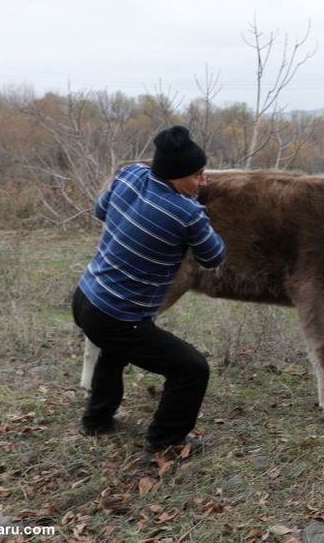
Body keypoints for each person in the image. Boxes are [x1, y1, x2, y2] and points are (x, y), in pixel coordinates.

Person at [73, 125, 225, 454]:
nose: (203, 182)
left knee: (112, 350)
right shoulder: (188, 214)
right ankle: (166, 440)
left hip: (86, 296)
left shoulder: (130, 174)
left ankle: (97, 419)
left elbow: (101, 210)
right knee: (192, 369)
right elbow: (213, 257)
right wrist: (200, 217)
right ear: (175, 175)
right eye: (197, 175)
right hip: (117, 316)